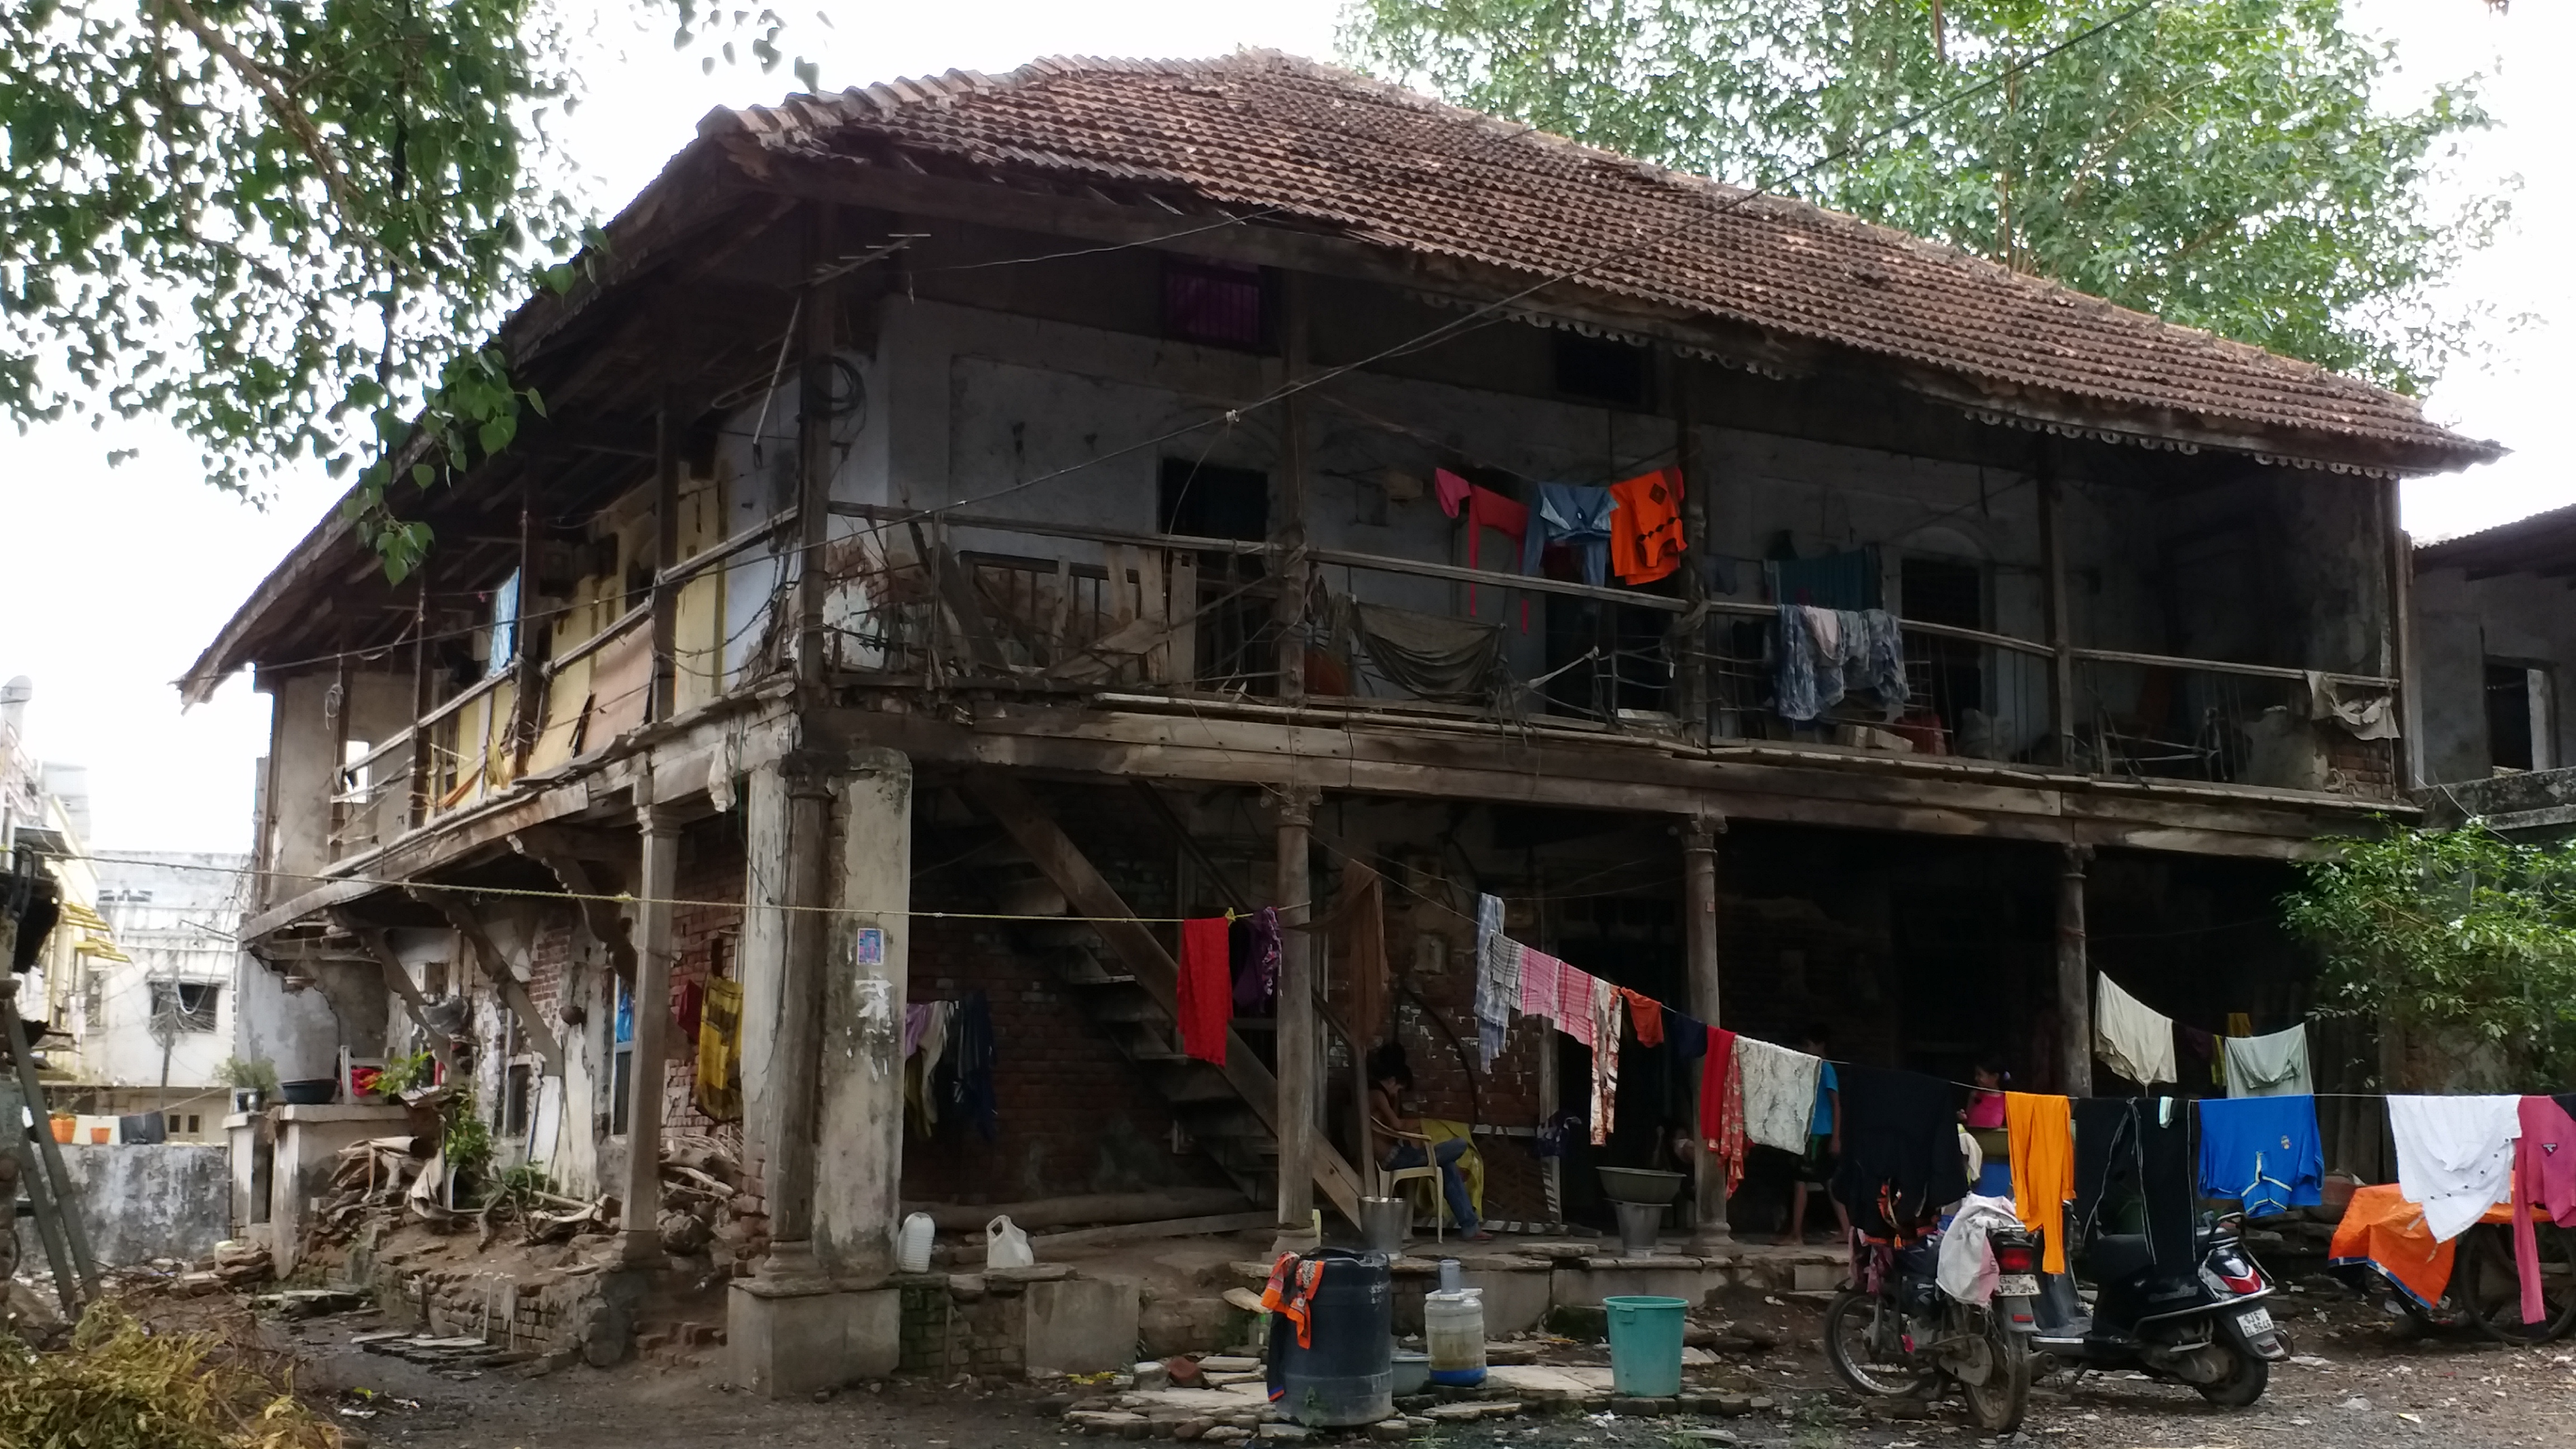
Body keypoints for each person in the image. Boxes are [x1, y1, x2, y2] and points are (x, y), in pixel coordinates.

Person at [1368, 1044, 1489, 1242]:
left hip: (1399, 1153)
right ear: (1391, 1080)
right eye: (1398, 1088)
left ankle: (1470, 1227)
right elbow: (1397, 1125)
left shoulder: (1376, 1094)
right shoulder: (1378, 1094)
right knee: (1459, 1145)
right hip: (1394, 1158)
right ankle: (1469, 1225)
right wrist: (1420, 1127)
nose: (1396, 1093)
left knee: (1448, 1166)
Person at [1785, 1024, 1849, 1247]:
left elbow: (1836, 1104)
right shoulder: (1809, 1069)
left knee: (1802, 1181)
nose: (1805, 1050)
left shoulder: (1825, 1069)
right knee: (1827, 1181)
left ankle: (1796, 1235)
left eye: (1808, 1045)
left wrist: (1836, 1137)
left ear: (1820, 1046)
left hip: (1820, 1133)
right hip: (1812, 1132)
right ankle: (1846, 1229)